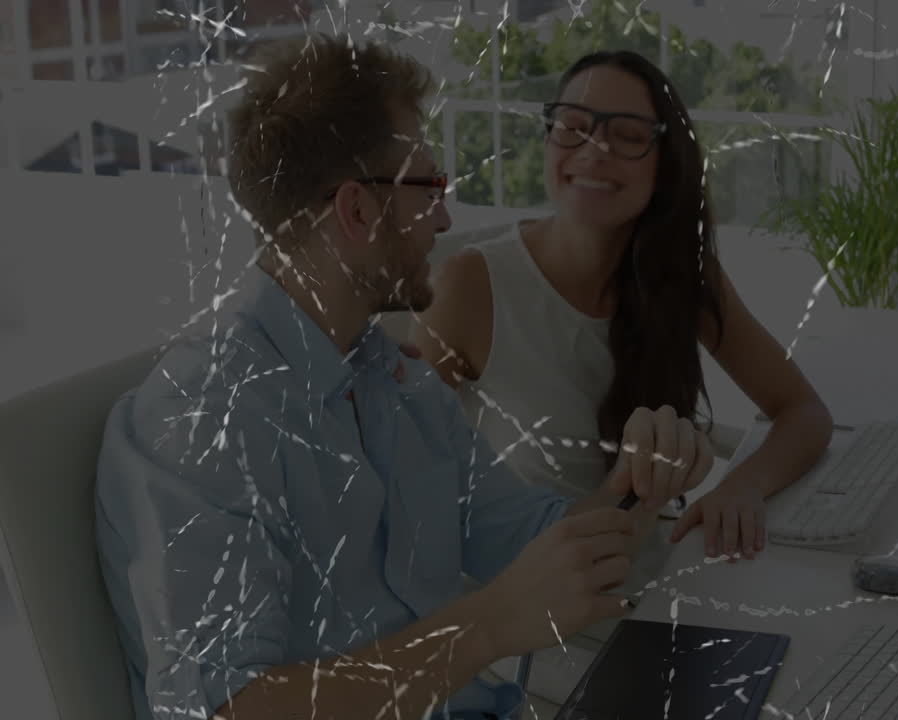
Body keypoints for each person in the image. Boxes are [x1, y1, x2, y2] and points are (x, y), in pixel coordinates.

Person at [94, 35, 713, 720]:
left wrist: (640, 479)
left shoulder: (401, 386)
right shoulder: (203, 418)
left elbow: (546, 549)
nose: (445, 219)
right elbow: (229, 707)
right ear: (357, 211)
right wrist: (488, 627)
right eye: (428, 187)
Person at [406, 49, 835, 701]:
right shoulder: (471, 286)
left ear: (664, 166)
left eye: (627, 136)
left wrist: (741, 488)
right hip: (544, 630)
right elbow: (406, 499)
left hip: (664, 585)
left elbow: (802, 411)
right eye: (571, 126)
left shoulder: (676, 274)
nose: (592, 150)